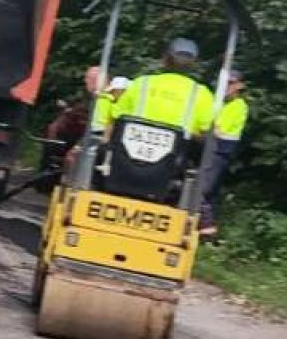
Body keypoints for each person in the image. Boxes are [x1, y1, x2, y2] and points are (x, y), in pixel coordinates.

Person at [92, 35, 215, 139]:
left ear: (165, 60)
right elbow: (206, 131)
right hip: (176, 157)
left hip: (129, 155)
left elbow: (116, 118)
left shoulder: (141, 83)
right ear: (193, 64)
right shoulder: (202, 94)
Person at [198, 72, 248, 238]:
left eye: (230, 83)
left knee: (204, 189)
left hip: (220, 151)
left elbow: (217, 130)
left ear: (239, 86)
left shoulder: (238, 106)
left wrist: (203, 129)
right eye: (223, 83)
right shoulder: (215, 102)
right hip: (207, 148)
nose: (225, 87)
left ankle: (207, 224)